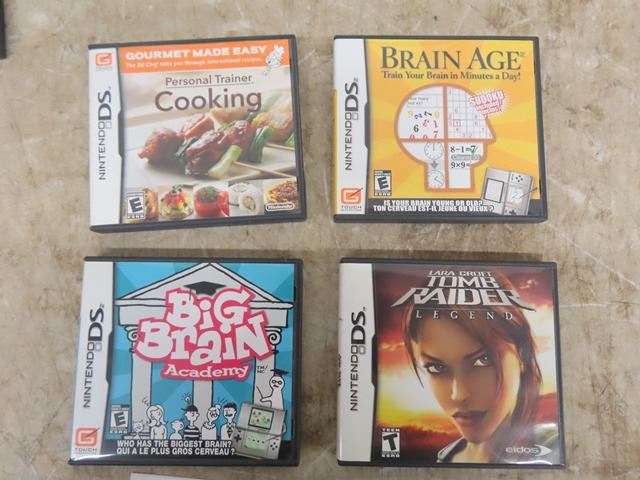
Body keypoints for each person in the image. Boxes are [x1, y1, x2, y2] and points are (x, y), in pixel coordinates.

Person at [403, 298, 559, 464]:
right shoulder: (446, 457)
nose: (459, 395)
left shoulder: (553, 447)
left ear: (522, 354)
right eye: (436, 367)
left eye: (483, 360)